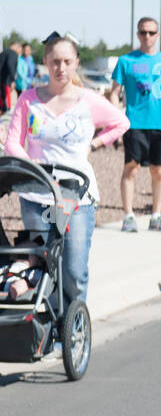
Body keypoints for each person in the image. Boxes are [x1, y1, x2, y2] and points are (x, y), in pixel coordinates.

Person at [3, 35, 130, 303]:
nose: (61, 68)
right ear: (46, 62)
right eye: (55, 62)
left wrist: (94, 145)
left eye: (67, 62)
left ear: (76, 64)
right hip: (37, 196)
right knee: (42, 266)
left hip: (77, 199)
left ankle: (74, 327)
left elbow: (121, 122)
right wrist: (28, 162)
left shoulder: (90, 100)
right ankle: (47, 330)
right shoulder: (29, 100)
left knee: (73, 271)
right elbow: (13, 141)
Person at [110, 17, 161, 232]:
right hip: (135, 124)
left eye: (151, 32)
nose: (147, 36)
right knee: (131, 169)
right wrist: (116, 121)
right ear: (137, 34)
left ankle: (156, 216)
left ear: (158, 35)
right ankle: (128, 216)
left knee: (158, 171)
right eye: (143, 32)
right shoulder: (126, 61)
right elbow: (114, 93)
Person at [0, 41, 18, 113]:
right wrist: (13, 80)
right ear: (16, 47)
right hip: (5, 80)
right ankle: (7, 112)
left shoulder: (4, 52)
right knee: (6, 100)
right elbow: (10, 65)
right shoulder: (12, 53)